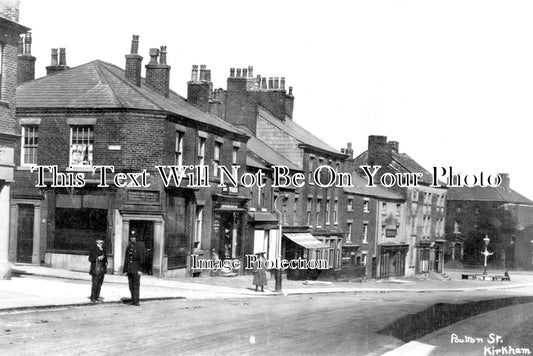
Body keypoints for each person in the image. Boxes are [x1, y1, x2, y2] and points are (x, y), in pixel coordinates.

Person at [123, 233, 146, 306]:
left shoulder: (140, 246)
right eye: (131, 237)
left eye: (134, 237)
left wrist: (140, 270)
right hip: (130, 269)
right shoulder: (129, 247)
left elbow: (142, 259)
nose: (132, 239)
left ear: (136, 238)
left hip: (136, 269)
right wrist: (125, 270)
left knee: (136, 285)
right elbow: (126, 259)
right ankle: (133, 300)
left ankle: (136, 301)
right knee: (131, 285)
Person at [88, 238, 107, 303]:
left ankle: (97, 296)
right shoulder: (93, 249)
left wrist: (106, 262)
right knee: (95, 283)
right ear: (97, 243)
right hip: (95, 268)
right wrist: (97, 258)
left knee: (100, 283)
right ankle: (93, 297)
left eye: (102, 243)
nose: (101, 244)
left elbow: (105, 258)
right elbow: (90, 259)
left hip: (102, 268)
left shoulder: (103, 249)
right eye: (100, 243)